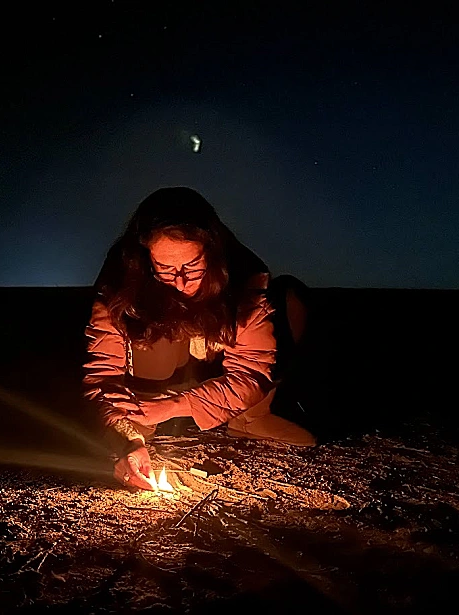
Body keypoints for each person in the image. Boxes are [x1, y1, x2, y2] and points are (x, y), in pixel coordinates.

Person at [82, 187, 316, 491]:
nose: (180, 281)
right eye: (165, 269)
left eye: (192, 266)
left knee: (291, 298)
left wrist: (177, 405)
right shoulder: (120, 282)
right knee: (147, 347)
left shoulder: (245, 276)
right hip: (164, 360)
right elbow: (103, 373)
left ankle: (250, 418)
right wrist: (126, 437)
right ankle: (141, 421)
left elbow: (252, 371)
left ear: (212, 250)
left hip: (216, 353)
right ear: (145, 259)